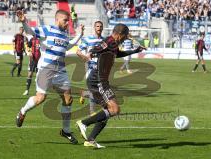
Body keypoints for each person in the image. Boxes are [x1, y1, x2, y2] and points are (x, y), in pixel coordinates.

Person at [15, 10, 84, 144]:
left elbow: (68, 45)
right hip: (46, 70)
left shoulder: (65, 33)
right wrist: (23, 21)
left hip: (61, 70)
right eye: (65, 20)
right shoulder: (47, 29)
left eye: (68, 21)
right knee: (41, 97)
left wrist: (80, 34)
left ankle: (66, 131)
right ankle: (23, 111)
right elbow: (30, 31)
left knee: (68, 100)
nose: (67, 23)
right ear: (57, 20)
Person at [76, 23, 144, 148]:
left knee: (107, 112)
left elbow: (118, 54)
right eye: (124, 37)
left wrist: (135, 50)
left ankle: (90, 140)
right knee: (115, 109)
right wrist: (91, 53)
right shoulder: (109, 41)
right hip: (98, 81)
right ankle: (83, 123)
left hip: (100, 80)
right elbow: (98, 47)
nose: (124, 39)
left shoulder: (113, 44)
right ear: (119, 35)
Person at [76, 21, 104, 115]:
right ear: (94, 27)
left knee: (100, 90)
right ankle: (92, 112)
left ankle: (84, 94)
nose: (99, 28)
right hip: (90, 66)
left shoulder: (104, 41)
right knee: (93, 89)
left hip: (100, 68)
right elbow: (78, 51)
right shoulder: (88, 39)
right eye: (97, 26)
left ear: (102, 28)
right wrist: (86, 58)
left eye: (100, 26)